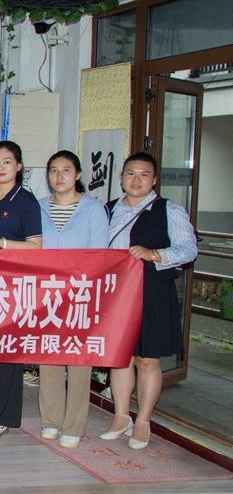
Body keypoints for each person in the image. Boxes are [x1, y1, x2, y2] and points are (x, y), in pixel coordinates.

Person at [101, 152, 196, 450]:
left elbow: (188, 249)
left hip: (152, 293)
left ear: (154, 180)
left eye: (144, 174)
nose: (136, 180)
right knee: (120, 357)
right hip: (116, 294)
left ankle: (143, 420)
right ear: (121, 178)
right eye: (130, 173)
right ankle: (121, 417)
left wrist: (154, 254)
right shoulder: (108, 210)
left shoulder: (169, 210)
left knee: (147, 359)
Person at [33, 150, 110, 448]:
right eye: (53, 170)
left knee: (79, 361)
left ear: (77, 174)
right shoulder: (38, 207)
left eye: (66, 170)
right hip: (46, 294)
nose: (59, 176)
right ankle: (50, 420)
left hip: (81, 294)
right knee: (50, 357)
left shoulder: (93, 209)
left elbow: (100, 254)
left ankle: (74, 426)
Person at [0, 140, 42, 439]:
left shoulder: (26, 201)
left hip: (13, 284)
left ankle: (4, 416)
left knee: (7, 352)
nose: (0, 167)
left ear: (19, 166)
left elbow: (36, 246)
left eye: (7, 162)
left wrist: (2, 243)